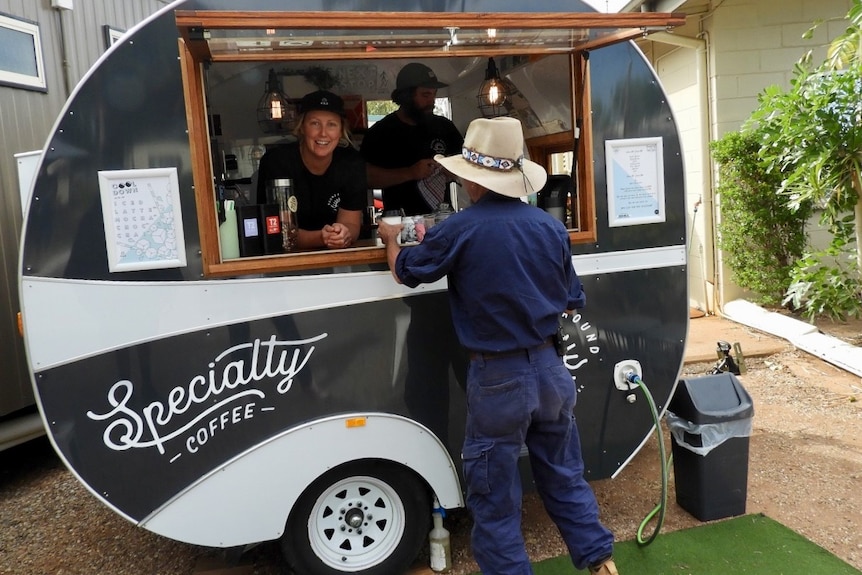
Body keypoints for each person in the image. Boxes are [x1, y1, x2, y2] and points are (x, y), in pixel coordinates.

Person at [377, 117, 618, 575]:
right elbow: (570, 302)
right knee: (565, 479)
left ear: (472, 180)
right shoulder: (550, 228)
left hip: (498, 378)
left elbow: (406, 271)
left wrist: (392, 240)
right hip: (551, 370)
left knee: (494, 499)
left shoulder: (461, 228)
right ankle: (602, 565)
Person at [256, 90, 366, 250]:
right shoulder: (278, 162)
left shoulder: (351, 163)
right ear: (301, 127)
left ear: (341, 130)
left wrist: (342, 234)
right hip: (285, 262)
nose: (323, 133)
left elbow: (351, 223)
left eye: (331, 124)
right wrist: (322, 238)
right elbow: (281, 232)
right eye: (315, 123)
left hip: (338, 260)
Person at [361, 62, 463, 216]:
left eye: (434, 94)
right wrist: (410, 172)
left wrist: (453, 168)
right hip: (399, 223)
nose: (432, 101)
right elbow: (365, 178)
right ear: (406, 96)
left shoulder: (445, 127)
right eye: (425, 95)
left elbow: (467, 165)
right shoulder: (381, 132)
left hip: (442, 219)